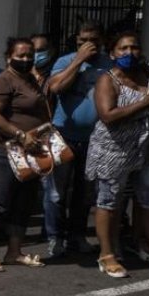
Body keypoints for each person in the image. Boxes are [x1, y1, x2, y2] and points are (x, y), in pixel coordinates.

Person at [86, 31, 149, 278]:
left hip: (146, 149)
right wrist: (145, 102)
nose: (129, 53)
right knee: (109, 201)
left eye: (134, 48)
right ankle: (106, 254)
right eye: (122, 49)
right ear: (113, 53)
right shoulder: (107, 80)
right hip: (113, 151)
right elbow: (108, 115)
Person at [0, 38, 51, 271]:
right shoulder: (3, 81)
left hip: (30, 151)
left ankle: (14, 252)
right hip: (3, 150)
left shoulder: (30, 80)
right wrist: (20, 134)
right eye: (21, 55)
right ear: (9, 57)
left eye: (30, 55)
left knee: (23, 201)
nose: (27, 59)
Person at [44, 20, 112, 258]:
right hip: (63, 136)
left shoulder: (108, 66)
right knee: (57, 192)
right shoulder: (65, 61)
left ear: (101, 41)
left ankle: (77, 235)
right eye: (82, 41)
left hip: (94, 139)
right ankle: (54, 237)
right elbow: (56, 88)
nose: (86, 45)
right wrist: (78, 60)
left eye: (92, 41)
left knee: (85, 192)